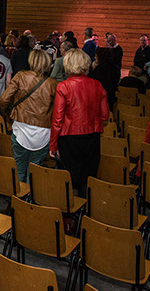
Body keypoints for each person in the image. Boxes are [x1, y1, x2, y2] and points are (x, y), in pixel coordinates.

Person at [50, 49, 109, 198]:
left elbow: (57, 120)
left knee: (68, 179)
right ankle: (85, 208)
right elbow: (104, 115)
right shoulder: (97, 85)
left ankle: (68, 208)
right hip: (92, 136)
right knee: (87, 178)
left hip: (69, 138)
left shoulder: (63, 86)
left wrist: (53, 145)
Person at [0, 49, 58, 182]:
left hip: (21, 128)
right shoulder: (53, 84)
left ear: (31, 61)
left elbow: (4, 100)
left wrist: (9, 114)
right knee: (34, 172)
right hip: (43, 133)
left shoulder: (20, 76)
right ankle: (30, 193)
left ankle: (19, 193)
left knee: (19, 168)